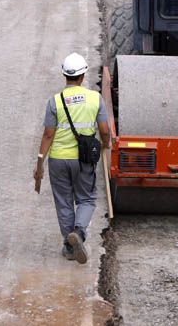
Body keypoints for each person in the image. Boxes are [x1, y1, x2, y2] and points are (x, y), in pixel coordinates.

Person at [33, 53, 110, 264]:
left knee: (64, 202)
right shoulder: (95, 99)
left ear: (64, 75)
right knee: (87, 198)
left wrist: (39, 163)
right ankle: (79, 234)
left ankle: (69, 246)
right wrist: (106, 144)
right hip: (84, 159)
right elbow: (104, 130)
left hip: (58, 160)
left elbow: (48, 134)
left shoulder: (55, 101)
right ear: (83, 75)